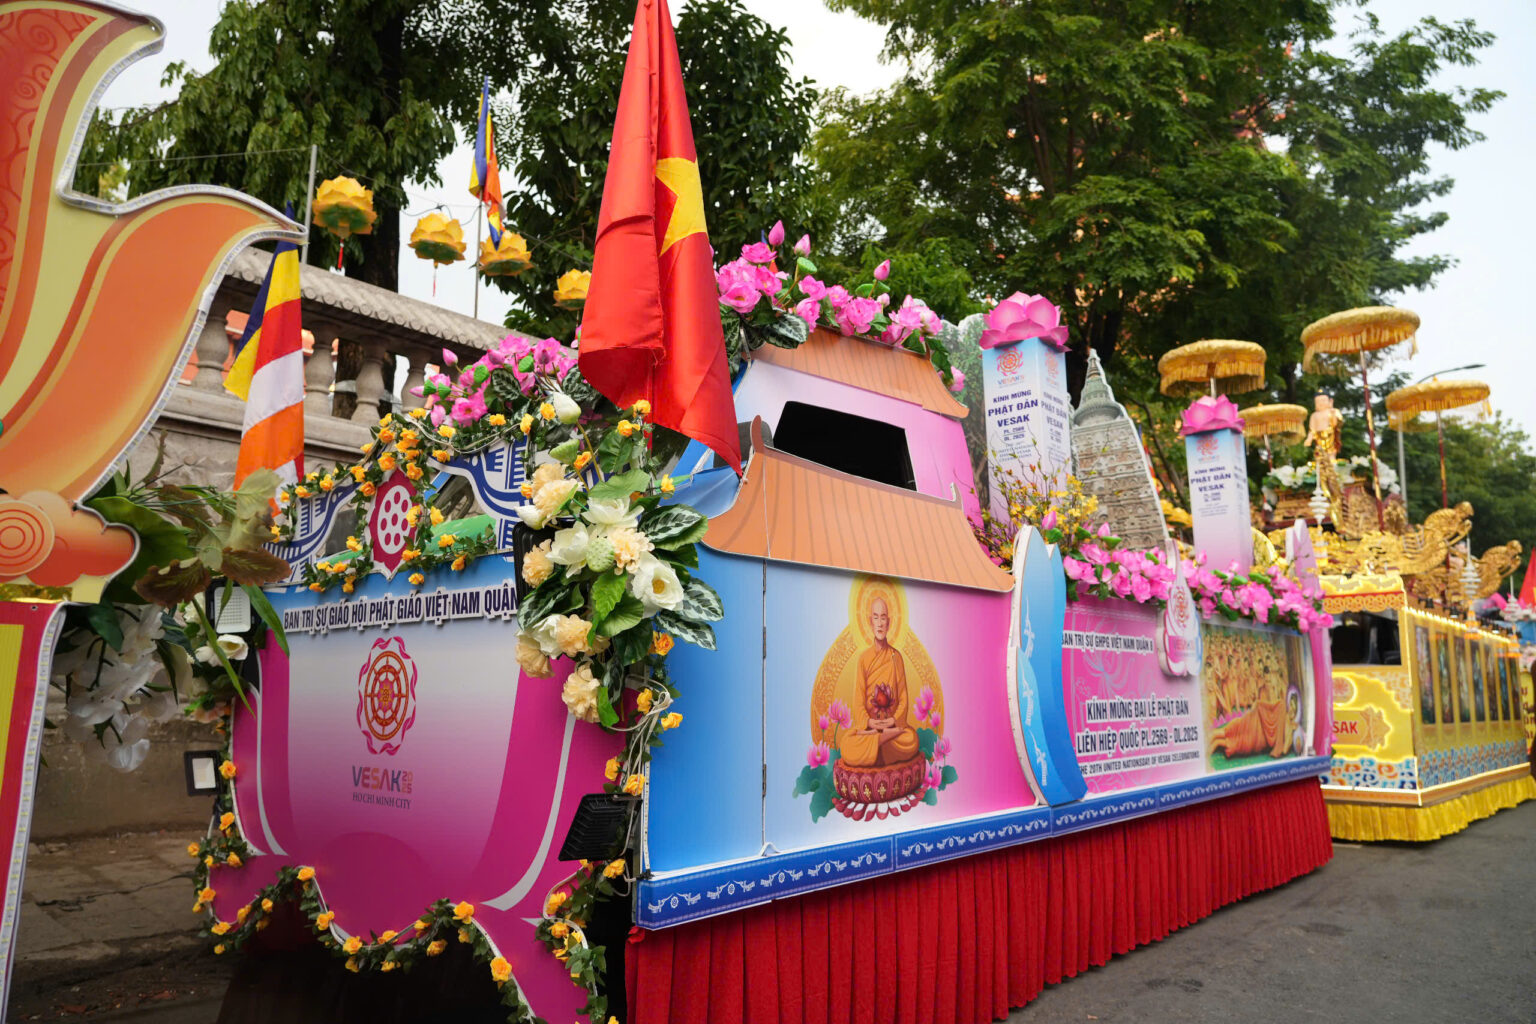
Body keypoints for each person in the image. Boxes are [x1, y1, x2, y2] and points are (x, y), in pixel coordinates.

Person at [839, 597, 921, 767]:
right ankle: (881, 740)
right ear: (870, 622)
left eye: (883, 618)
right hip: (870, 728)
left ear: (888, 623)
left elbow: (903, 699)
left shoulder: (896, 657)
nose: (880, 623)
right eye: (876, 617)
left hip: (891, 725)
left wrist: (892, 721)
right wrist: (870, 723)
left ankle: (876, 745)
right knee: (846, 745)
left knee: (911, 739)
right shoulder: (863, 659)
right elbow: (858, 702)